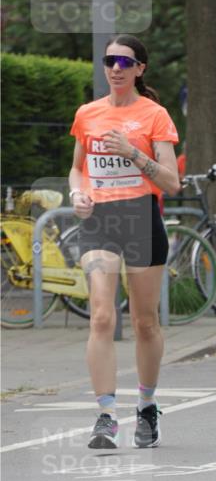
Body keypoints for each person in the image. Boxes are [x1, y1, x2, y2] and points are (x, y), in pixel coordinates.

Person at [69, 35, 180, 449]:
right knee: (101, 316)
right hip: (99, 221)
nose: (115, 68)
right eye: (109, 61)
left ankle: (147, 406)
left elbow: (171, 181)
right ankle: (105, 416)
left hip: (140, 220)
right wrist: (77, 193)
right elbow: (77, 168)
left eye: (124, 62)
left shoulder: (155, 115)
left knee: (144, 321)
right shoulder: (88, 114)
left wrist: (134, 153)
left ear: (139, 69)